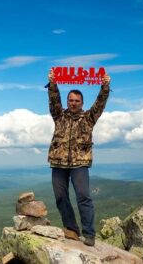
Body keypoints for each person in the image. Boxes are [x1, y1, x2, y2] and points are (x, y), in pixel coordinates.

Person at [46, 69, 111, 246]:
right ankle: (72, 229)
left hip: (79, 163)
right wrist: (53, 84)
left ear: (82, 102)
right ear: (67, 101)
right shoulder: (59, 115)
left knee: (83, 196)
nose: (73, 103)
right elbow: (54, 100)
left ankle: (89, 234)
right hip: (58, 162)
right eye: (71, 100)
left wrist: (105, 86)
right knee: (60, 197)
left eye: (77, 101)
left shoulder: (89, 117)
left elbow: (100, 103)